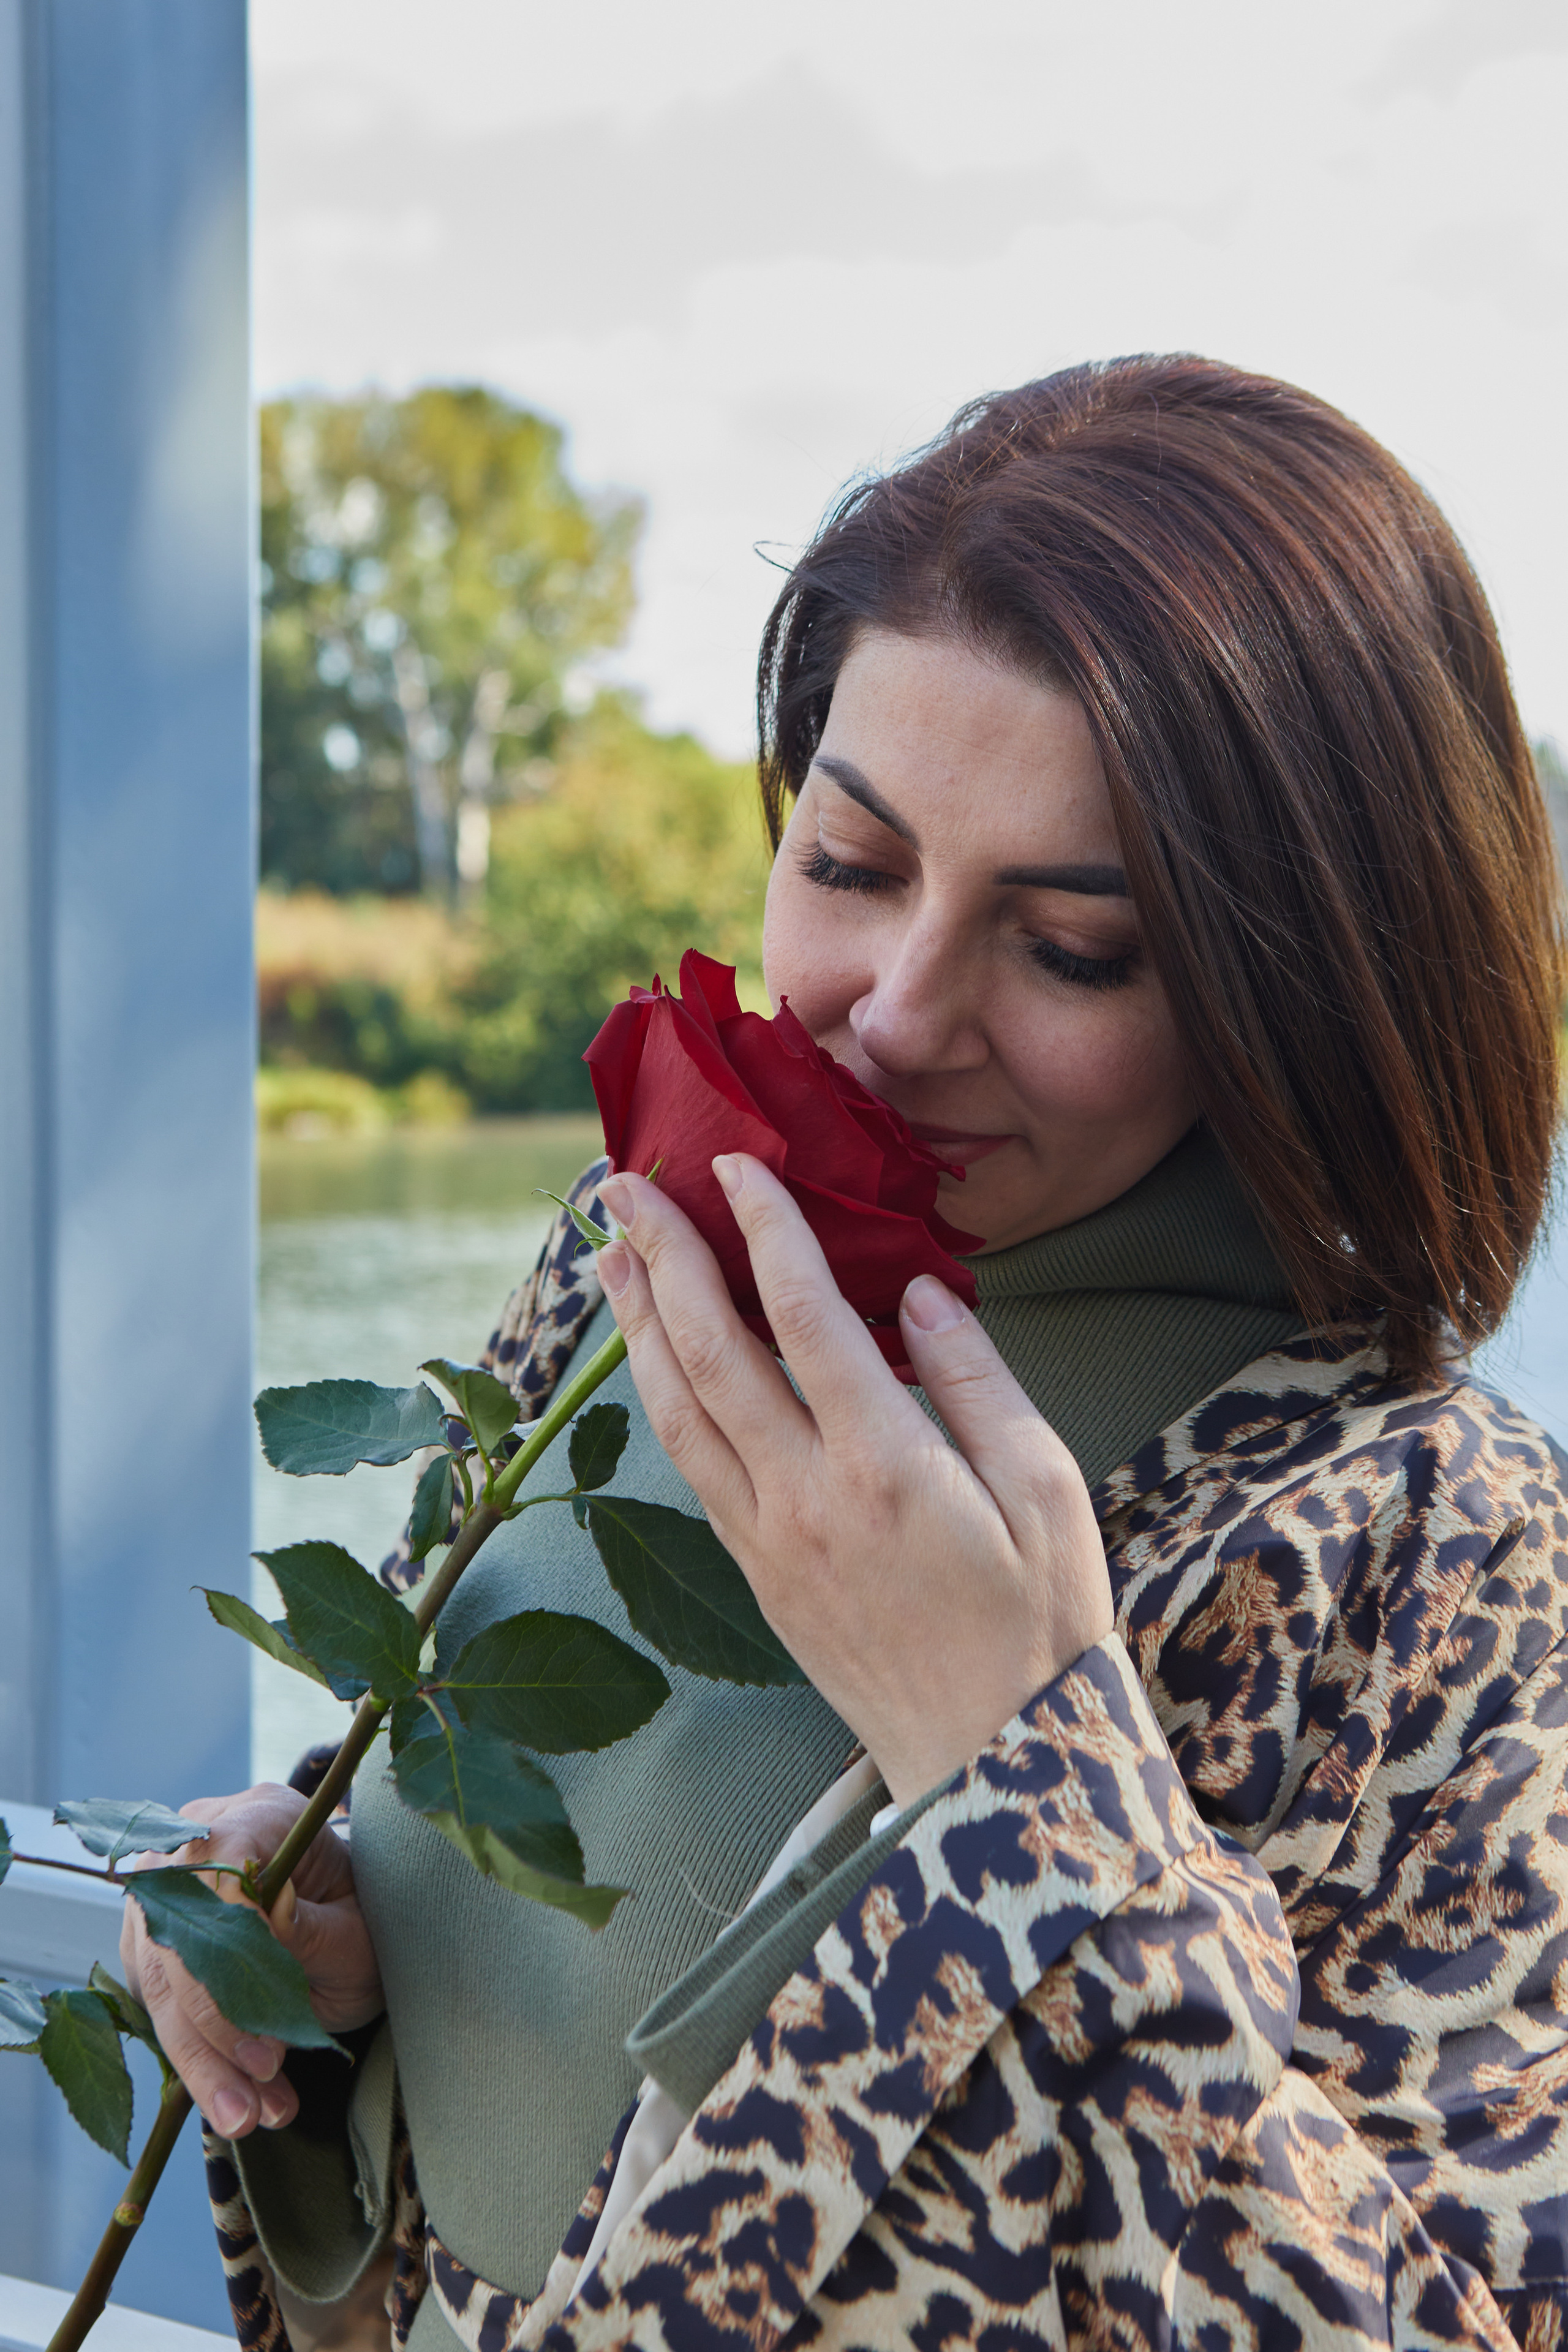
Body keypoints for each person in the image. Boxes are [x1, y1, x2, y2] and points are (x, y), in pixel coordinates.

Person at [124, 355, 1567, 2352]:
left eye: (1071, 947)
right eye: (852, 864)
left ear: (1295, 984)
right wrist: (330, 1929)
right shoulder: (634, 1251)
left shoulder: (1431, 1547)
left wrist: (1024, 1773)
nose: (896, 1010)